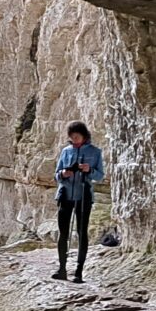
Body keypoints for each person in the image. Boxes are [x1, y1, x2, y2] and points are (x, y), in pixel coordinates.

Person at [54, 121, 103, 282]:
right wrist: (63, 173)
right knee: (63, 233)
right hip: (65, 194)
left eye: (77, 136)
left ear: (84, 135)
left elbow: (100, 176)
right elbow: (56, 174)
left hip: (84, 195)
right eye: (72, 137)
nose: (74, 139)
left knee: (82, 233)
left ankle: (79, 271)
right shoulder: (66, 151)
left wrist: (89, 170)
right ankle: (62, 269)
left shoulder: (95, 152)